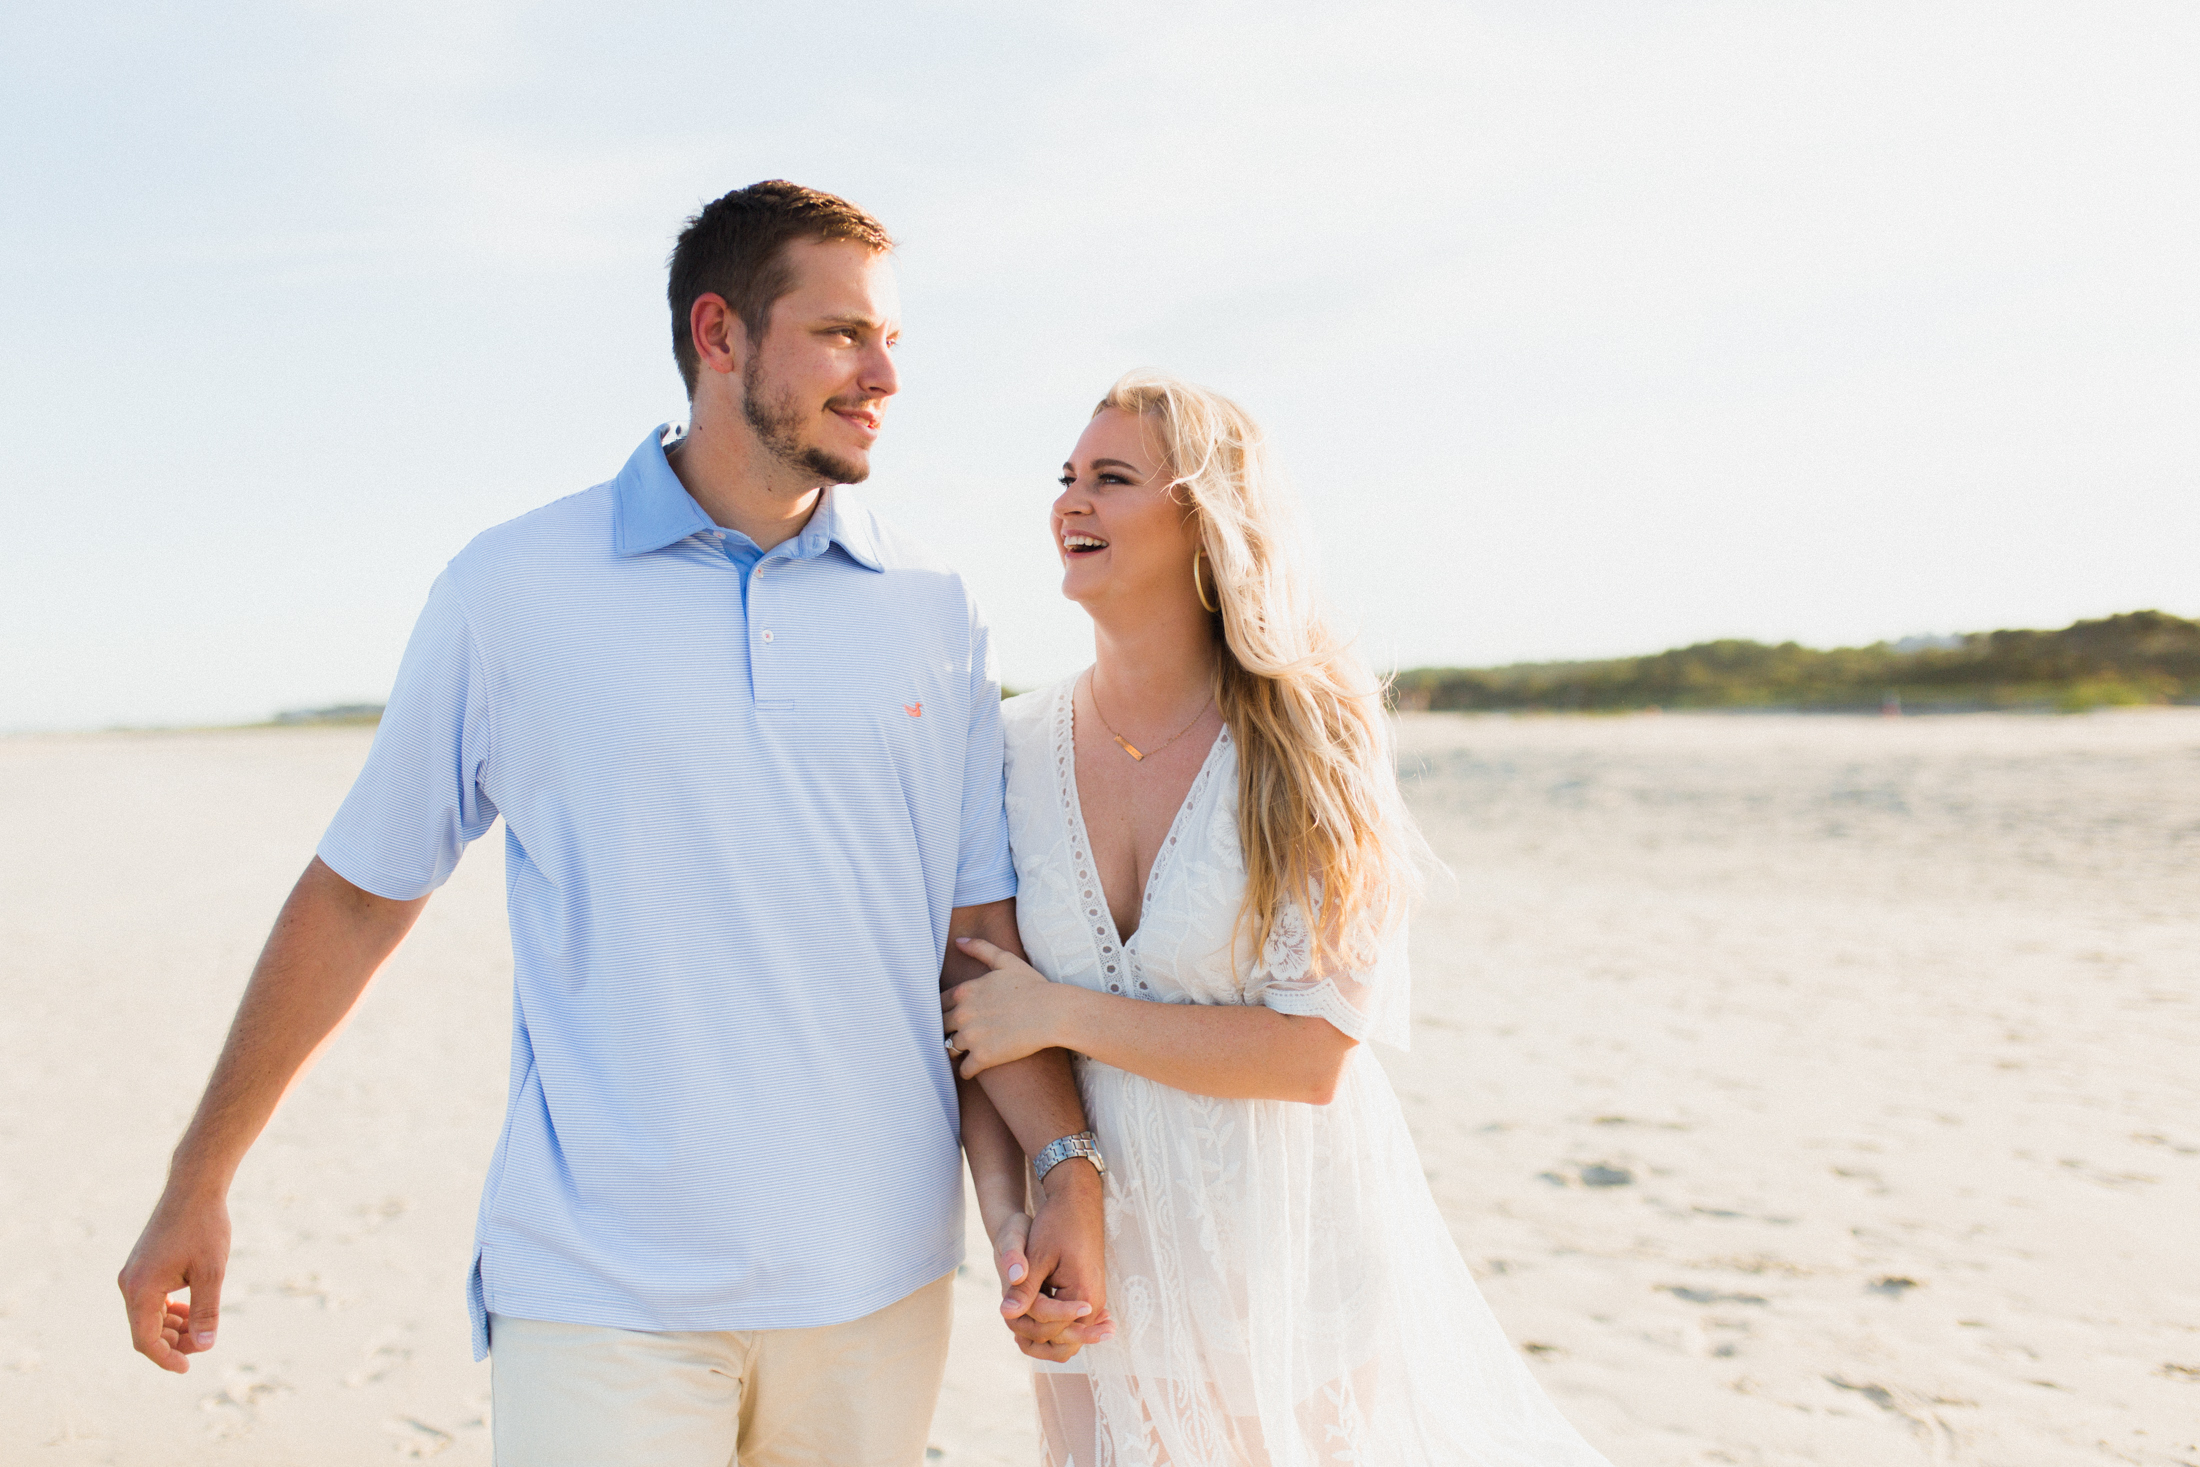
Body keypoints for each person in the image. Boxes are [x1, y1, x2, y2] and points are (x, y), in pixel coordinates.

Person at [117, 180, 1109, 1465]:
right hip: (599, 1289)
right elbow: (362, 892)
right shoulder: (513, 590)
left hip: (875, 1286)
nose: (882, 377)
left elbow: (976, 943)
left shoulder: (933, 605)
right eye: (842, 335)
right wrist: (199, 1179)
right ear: (720, 335)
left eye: (893, 343)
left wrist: (1060, 1167)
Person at [942, 372, 1617, 1464]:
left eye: (1111, 479)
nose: (1071, 502)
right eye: (1066, 478)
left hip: (1291, 1264)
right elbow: (980, 1014)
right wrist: (1013, 1226)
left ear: (1206, 518)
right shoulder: (1007, 746)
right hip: (1102, 1273)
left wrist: (1059, 1011)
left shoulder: (1309, 734)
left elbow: (1310, 1053)